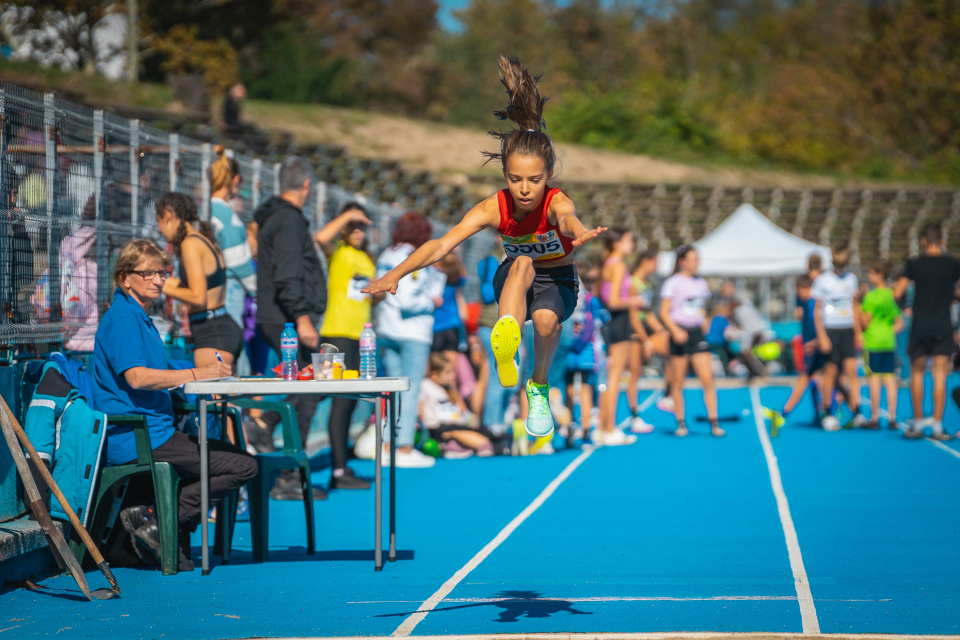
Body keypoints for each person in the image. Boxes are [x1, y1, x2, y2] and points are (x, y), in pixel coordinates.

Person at [366, 56, 605, 440]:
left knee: (546, 321)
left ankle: (538, 385)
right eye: (515, 179)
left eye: (534, 180)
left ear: (548, 175)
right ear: (504, 175)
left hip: (558, 279)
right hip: (514, 280)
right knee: (523, 262)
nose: (524, 189)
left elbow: (568, 217)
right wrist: (394, 274)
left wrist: (578, 232)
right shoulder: (493, 207)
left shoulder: (556, 202)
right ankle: (506, 335)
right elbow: (441, 245)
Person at [92, 239, 255, 571]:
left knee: (182, 562)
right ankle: (158, 518)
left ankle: (159, 521)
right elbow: (137, 377)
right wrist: (199, 372)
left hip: (156, 429)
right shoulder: (124, 318)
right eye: (147, 273)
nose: (157, 280)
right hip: (139, 435)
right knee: (244, 466)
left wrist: (210, 380)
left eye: (162, 272)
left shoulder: (139, 316)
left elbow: (161, 373)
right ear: (125, 278)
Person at [253, 156, 329, 500]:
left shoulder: (279, 217)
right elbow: (288, 273)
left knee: (310, 388)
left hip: (280, 316)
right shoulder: (288, 220)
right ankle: (285, 472)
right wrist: (301, 318)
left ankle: (268, 428)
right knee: (311, 389)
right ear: (307, 185)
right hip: (286, 318)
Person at [315, 201, 382, 488]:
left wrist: (376, 290)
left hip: (360, 337)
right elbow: (320, 238)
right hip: (336, 334)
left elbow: (374, 296)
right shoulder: (338, 251)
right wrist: (348, 215)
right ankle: (338, 470)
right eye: (352, 225)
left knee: (349, 403)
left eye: (361, 225)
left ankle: (340, 467)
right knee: (331, 400)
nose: (357, 230)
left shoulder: (367, 257)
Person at [374, 211, 444, 468]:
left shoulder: (386, 254)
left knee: (393, 388)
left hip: (387, 329)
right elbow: (408, 299)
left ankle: (387, 443)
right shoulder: (410, 256)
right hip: (412, 332)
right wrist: (432, 302)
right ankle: (403, 446)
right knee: (411, 388)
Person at [156, 192, 245, 368]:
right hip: (221, 328)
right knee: (225, 395)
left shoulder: (190, 244)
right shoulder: (203, 240)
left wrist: (157, 284)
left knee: (211, 395)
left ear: (167, 216)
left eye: (158, 221)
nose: (159, 229)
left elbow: (197, 297)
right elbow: (188, 287)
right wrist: (152, 277)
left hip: (213, 334)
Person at [894, 222, 960, 440]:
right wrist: (952, 298)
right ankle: (938, 425)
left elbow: (898, 292)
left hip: (920, 324)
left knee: (917, 374)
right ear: (942, 241)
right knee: (940, 375)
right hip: (943, 324)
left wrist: (905, 307)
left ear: (923, 241)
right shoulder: (952, 264)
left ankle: (919, 422)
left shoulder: (915, 264)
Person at [659, 246, 721, 437]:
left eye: (698, 260)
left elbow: (701, 308)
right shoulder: (673, 283)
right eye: (693, 260)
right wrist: (675, 330)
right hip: (679, 333)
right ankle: (681, 423)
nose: (696, 264)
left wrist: (704, 324)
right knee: (678, 381)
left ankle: (714, 422)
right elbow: (664, 312)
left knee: (707, 379)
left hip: (697, 334)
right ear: (682, 262)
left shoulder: (702, 284)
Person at [595, 227, 644, 445]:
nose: (632, 245)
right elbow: (614, 300)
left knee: (610, 376)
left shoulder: (608, 263)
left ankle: (602, 428)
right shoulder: (618, 265)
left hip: (610, 321)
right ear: (617, 243)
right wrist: (635, 301)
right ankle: (610, 428)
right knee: (615, 376)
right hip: (619, 320)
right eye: (629, 241)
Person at [812, 245, 865, 431]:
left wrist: (858, 333)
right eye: (838, 265)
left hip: (847, 329)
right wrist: (822, 336)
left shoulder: (852, 279)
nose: (841, 269)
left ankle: (857, 411)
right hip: (831, 329)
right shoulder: (822, 280)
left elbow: (854, 306)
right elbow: (817, 310)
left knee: (852, 371)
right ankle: (828, 412)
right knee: (831, 372)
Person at [208, 145, 257, 327]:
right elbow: (238, 262)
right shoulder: (225, 214)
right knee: (232, 347)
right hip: (229, 289)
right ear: (235, 179)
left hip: (211, 287)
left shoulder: (205, 209)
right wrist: (258, 289)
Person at [419, 353, 495, 459]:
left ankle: (497, 441)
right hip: (437, 427)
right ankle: (478, 444)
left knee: (483, 431)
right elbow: (420, 410)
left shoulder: (450, 388)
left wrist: (470, 419)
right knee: (458, 434)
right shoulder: (425, 386)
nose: (453, 375)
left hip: (454, 423)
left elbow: (460, 411)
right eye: (448, 372)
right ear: (434, 375)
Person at [860, 259, 903, 429]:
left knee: (875, 379)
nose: (869, 276)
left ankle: (875, 417)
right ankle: (892, 417)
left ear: (880, 275)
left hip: (873, 342)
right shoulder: (891, 295)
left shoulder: (871, 296)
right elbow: (899, 322)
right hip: (888, 342)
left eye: (871, 273)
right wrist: (888, 331)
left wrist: (856, 306)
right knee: (891, 380)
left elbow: (865, 322)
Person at [626, 249, 664, 433]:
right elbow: (633, 316)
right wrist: (646, 340)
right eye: (655, 262)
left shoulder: (646, 284)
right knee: (633, 375)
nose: (656, 267)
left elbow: (647, 313)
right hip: (632, 333)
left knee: (637, 374)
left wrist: (663, 331)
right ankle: (634, 416)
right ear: (646, 261)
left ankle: (668, 395)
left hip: (642, 329)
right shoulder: (633, 282)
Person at [477, 242, 512, 436]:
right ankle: (492, 423)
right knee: (497, 377)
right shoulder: (494, 258)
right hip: (493, 326)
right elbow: (488, 294)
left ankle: (500, 419)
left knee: (510, 381)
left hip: (513, 327)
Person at [432, 252, 467, 366]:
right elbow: (463, 275)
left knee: (435, 367)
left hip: (437, 326)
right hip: (453, 325)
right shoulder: (456, 280)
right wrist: (456, 257)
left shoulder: (436, 278)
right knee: (451, 367)